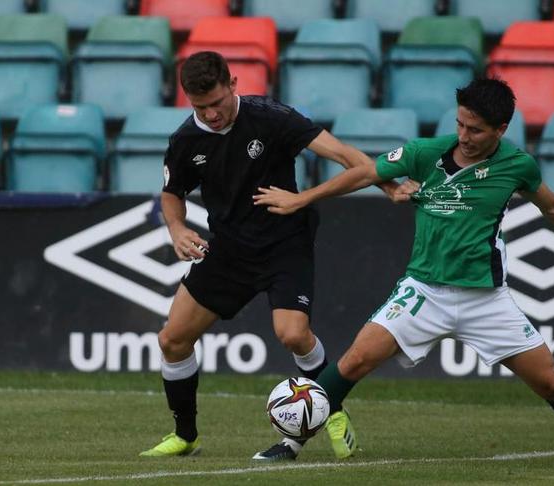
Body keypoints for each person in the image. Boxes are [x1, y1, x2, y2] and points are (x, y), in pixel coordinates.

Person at [253, 78, 554, 465]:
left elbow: (552, 206)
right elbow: (366, 172)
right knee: (354, 361)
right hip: (423, 293)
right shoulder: (426, 152)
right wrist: (303, 198)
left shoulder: (518, 166)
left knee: (552, 384)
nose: (464, 136)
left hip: (486, 299)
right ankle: (291, 441)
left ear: (501, 129)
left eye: (476, 130)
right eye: (460, 124)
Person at [140, 51, 401, 459]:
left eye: (216, 103)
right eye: (199, 107)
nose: (209, 114)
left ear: (233, 83)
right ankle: (186, 435)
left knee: (292, 334)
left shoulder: (272, 117)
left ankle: (331, 410)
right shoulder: (185, 140)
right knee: (173, 340)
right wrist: (177, 228)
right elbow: (172, 194)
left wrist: (386, 184)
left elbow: (344, 155)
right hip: (228, 250)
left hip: (284, 244)